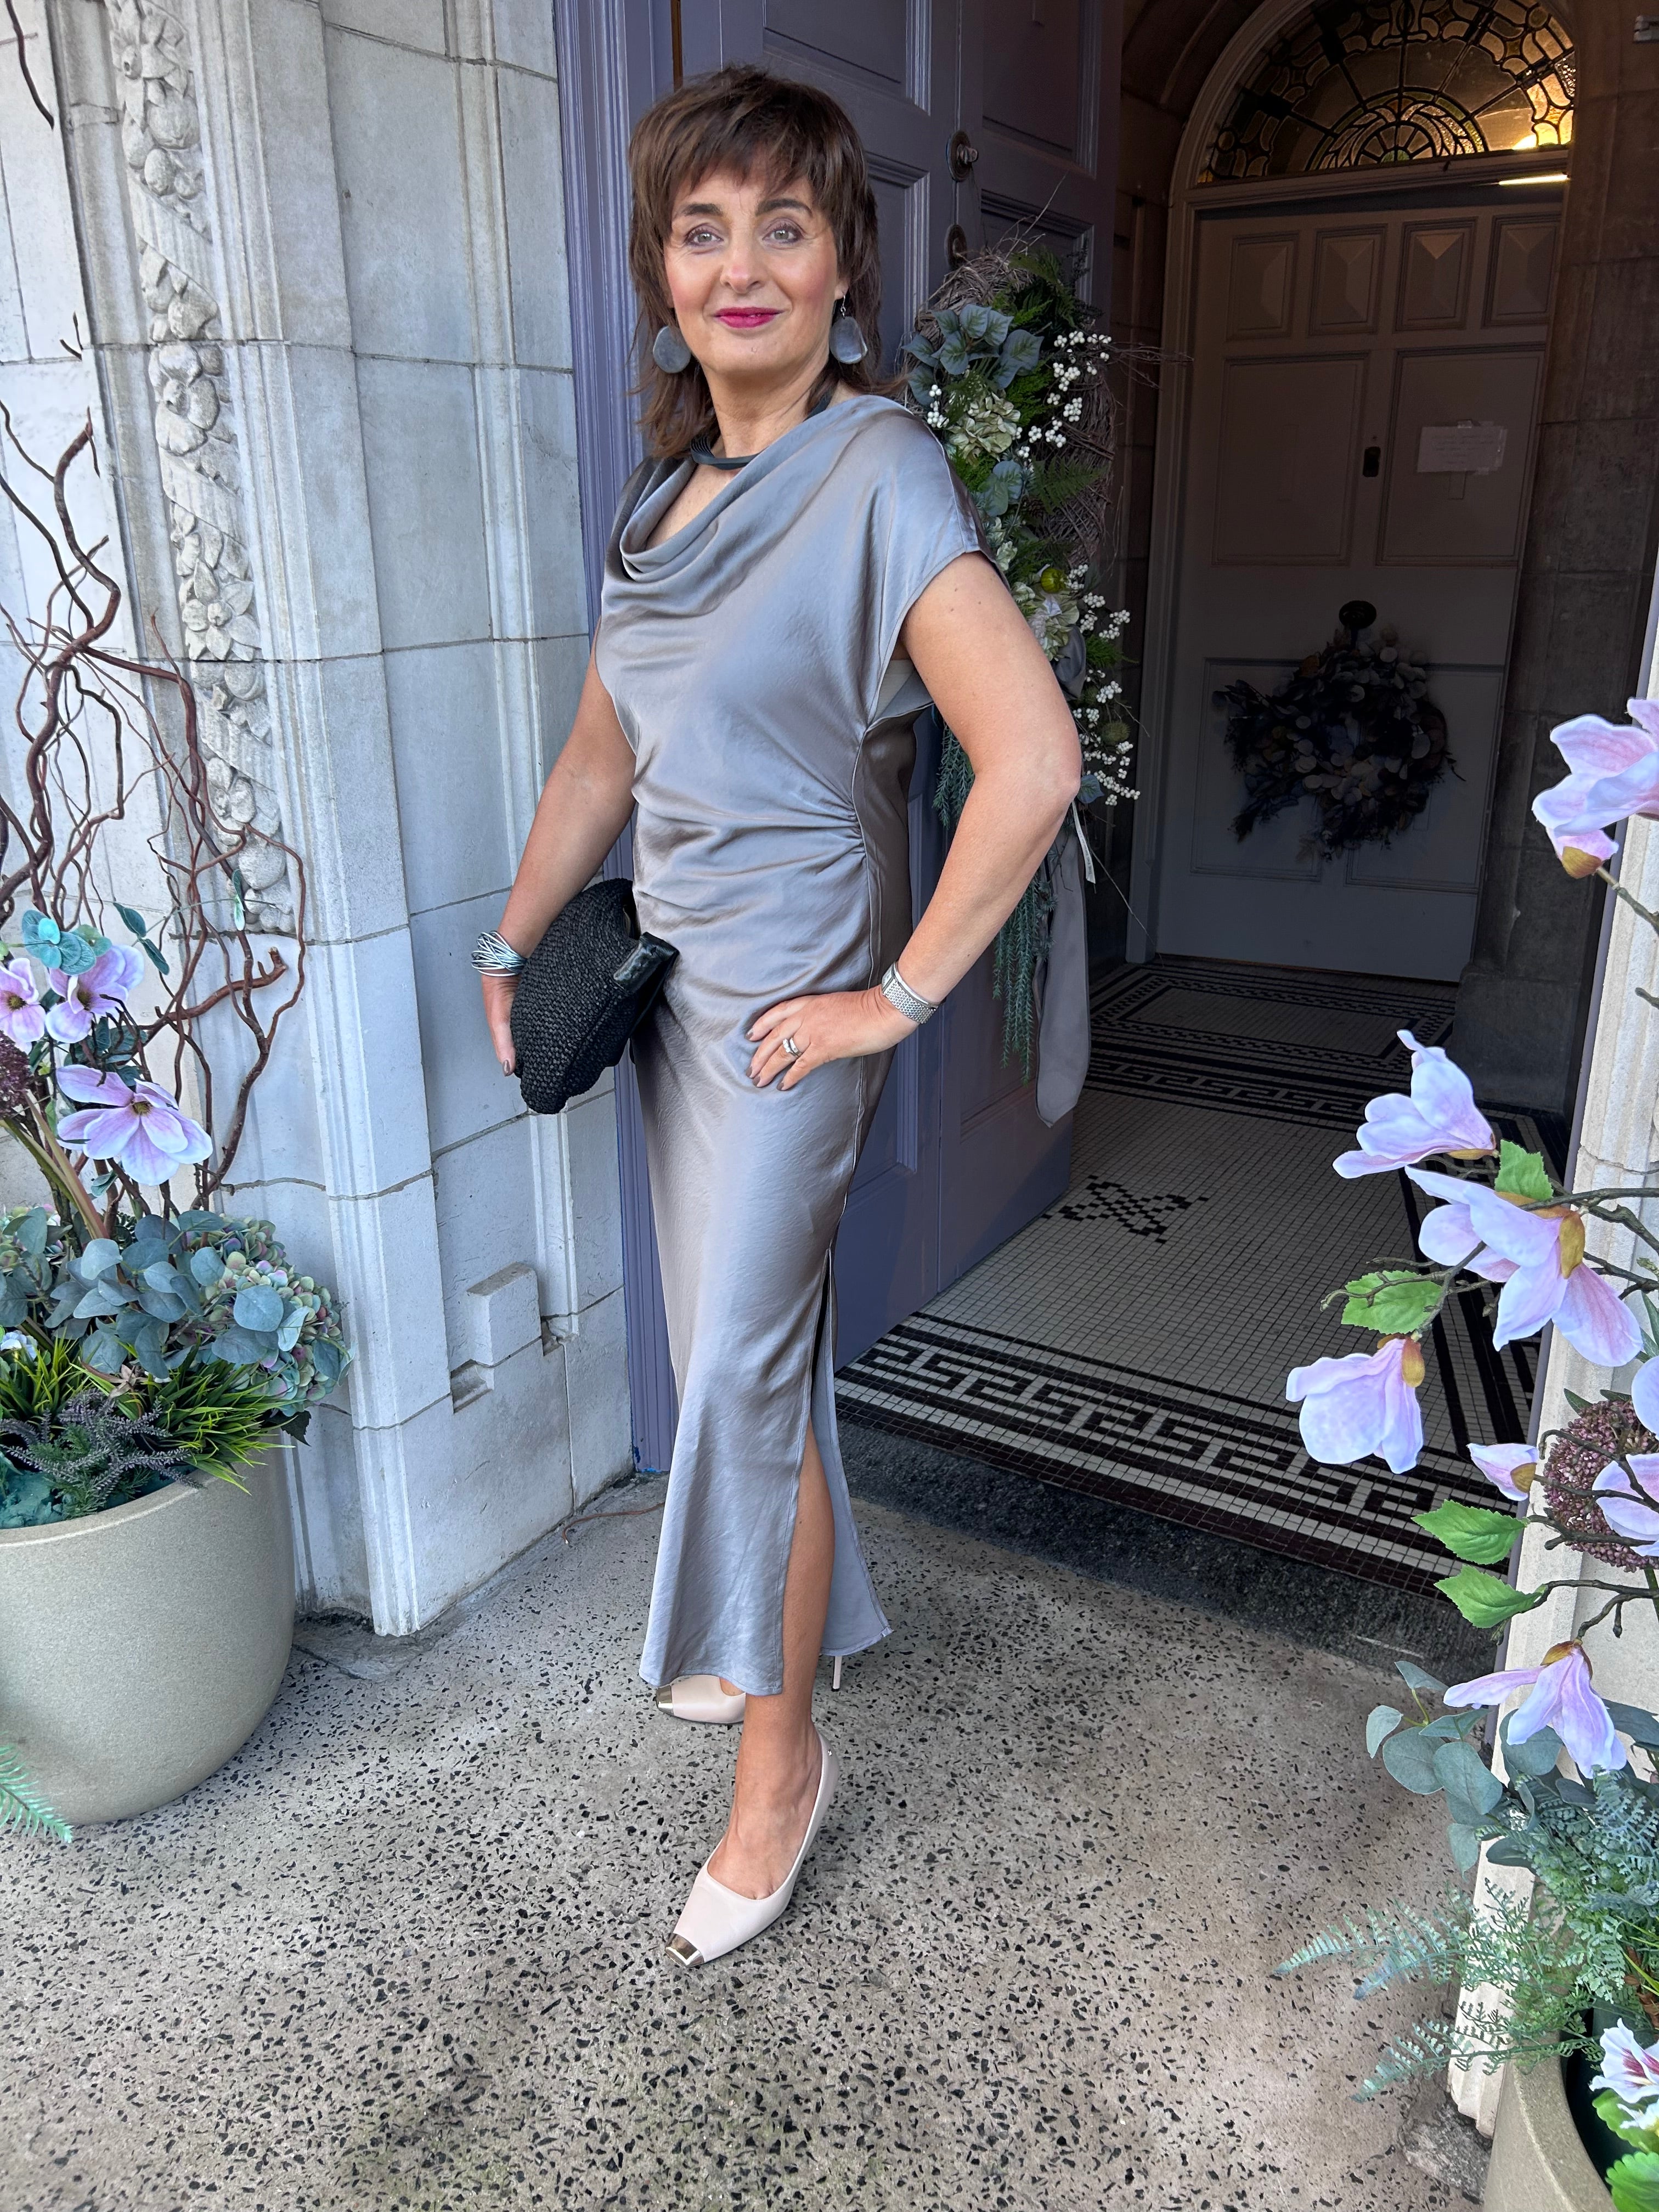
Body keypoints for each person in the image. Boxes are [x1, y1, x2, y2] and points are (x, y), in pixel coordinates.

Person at [477, 65, 1080, 1967]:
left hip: (795, 1000)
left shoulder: (880, 470)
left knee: (738, 1368)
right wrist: (512, 942)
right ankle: (776, 1628)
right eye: (701, 228)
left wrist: (896, 1002)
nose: (740, 264)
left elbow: (1032, 762)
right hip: (671, 991)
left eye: (784, 226)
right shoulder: (663, 503)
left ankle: (781, 1759)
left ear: (840, 269)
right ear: (663, 273)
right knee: (753, 1355)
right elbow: (601, 756)